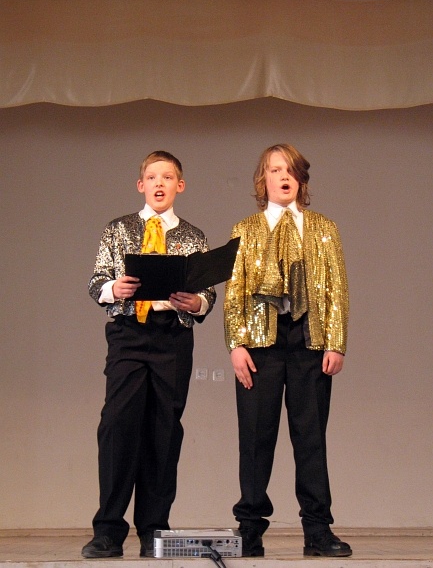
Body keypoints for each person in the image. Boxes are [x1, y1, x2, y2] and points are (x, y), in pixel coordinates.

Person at [82, 150, 216, 559]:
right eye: (153, 177)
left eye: (168, 177)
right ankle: (108, 529)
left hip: (171, 337)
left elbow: (207, 293)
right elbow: (97, 282)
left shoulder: (193, 236)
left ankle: (154, 527)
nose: (160, 183)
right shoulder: (118, 229)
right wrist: (115, 289)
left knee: (164, 429)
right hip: (129, 333)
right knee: (117, 426)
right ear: (141, 185)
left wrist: (195, 302)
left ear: (180, 186)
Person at [224, 143, 351, 558]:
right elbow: (235, 291)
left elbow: (336, 289)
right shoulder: (245, 228)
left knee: (311, 437)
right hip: (261, 342)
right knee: (255, 438)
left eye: (290, 170)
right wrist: (236, 344)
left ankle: (318, 531)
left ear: (301, 179)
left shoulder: (323, 228)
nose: (283, 176)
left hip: (308, 341)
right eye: (275, 169)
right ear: (262, 180)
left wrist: (335, 342)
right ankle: (250, 529)